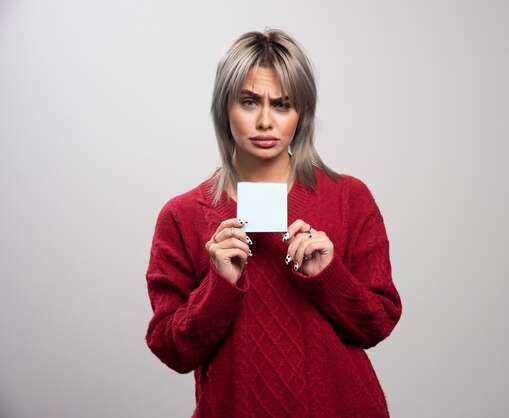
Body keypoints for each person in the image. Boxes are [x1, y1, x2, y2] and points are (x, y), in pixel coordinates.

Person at [145, 29, 402, 418]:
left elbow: (377, 324)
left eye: (282, 104)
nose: (265, 120)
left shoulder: (350, 197)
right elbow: (172, 349)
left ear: (301, 114)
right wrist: (219, 285)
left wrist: (328, 276)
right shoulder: (181, 215)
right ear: (223, 108)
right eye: (249, 102)